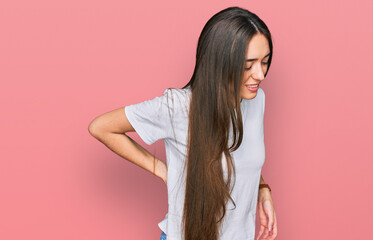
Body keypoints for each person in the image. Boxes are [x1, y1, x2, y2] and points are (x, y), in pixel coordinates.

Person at [88, 6, 277, 240]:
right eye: (248, 66)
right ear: (220, 62)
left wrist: (263, 190)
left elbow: (240, 155)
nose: (260, 75)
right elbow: (101, 127)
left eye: (265, 62)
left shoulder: (256, 100)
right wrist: (162, 170)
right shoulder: (179, 107)